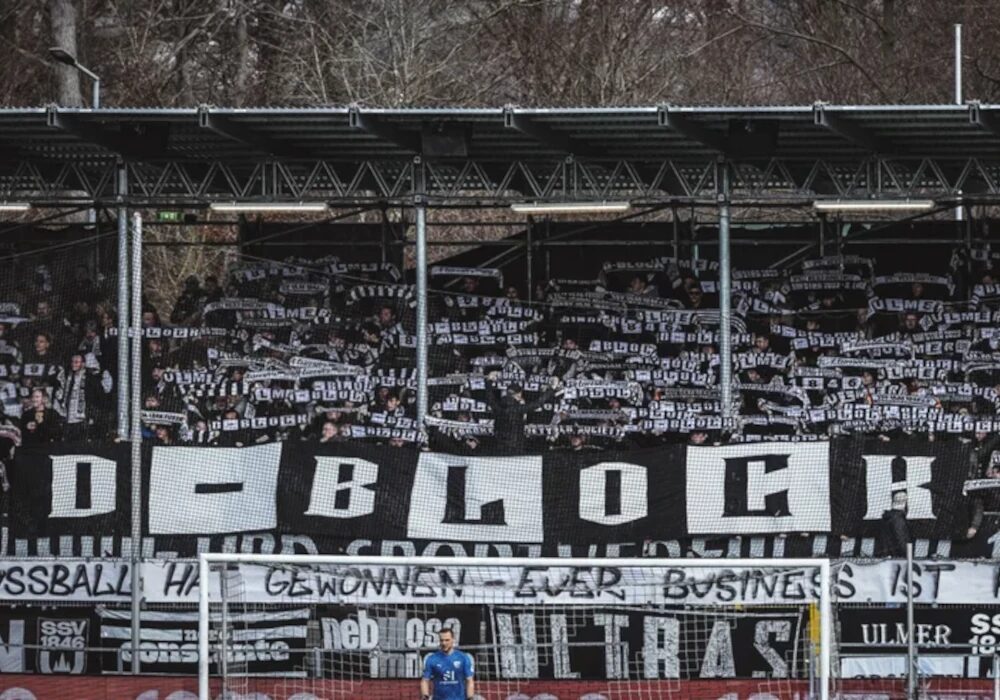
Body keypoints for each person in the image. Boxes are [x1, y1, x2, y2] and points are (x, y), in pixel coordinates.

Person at [420, 628, 474, 700]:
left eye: (447, 640)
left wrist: (470, 697)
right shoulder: (432, 659)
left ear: (453, 639)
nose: (444, 643)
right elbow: (425, 680)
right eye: (441, 640)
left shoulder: (463, 658)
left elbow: (469, 680)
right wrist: (425, 696)